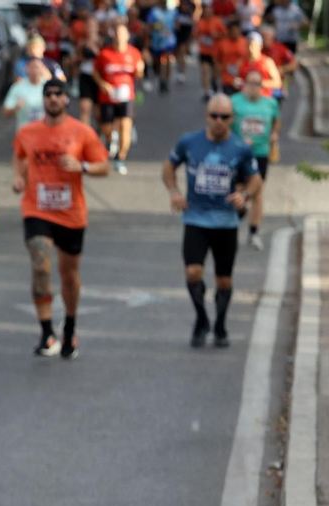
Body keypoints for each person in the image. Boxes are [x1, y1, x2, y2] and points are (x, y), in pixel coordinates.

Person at [12, 79, 110, 359]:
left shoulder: (82, 132)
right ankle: (46, 333)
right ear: (43, 100)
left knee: (69, 275)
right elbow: (19, 156)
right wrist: (19, 177)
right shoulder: (28, 132)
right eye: (48, 95)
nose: (53, 99)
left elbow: (104, 166)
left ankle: (70, 324)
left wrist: (83, 167)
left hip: (71, 213)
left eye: (58, 95)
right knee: (41, 265)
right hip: (37, 209)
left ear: (67, 99)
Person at [163, 93, 261, 347]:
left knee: (223, 280)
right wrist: (174, 192)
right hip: (196, 219)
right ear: (207, 116)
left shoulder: (240, 147)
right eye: (214, 116)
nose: (219, 121)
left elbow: (255, 178)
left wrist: (245, 194)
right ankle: (201, 319)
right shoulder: (189, 141)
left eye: (224, 117)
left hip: (226, 223)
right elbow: (168, 167)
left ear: (232, 118)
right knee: (193, 272)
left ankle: (220, 325)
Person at [229, 71, 280, 249]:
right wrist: (237, 142)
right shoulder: (234, 102)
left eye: (257, 84)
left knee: (257, 192)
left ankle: (253, 232)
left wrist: (274, 134)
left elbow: (276, 121)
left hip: (260, 153)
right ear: (244, 84)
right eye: (250, 83)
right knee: (238, 190)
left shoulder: (270, 103)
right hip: (238, 154)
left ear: (261, 86)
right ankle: (234, 222)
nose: (253, 87)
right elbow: (225, 126)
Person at [95, 23, 145, 175]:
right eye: (117, 34)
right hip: (108, 98)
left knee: (125, 128)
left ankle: (120, 158)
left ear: (127, 36)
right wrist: (103, 84)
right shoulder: (104, 54)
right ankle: (111, 140)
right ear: (113, 36)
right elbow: (95, 72)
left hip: (126, 97)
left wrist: (140, 71)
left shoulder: (134, 53)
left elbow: (139, 75)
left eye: (122, 34)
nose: (119, 37)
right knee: (107, 129)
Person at [6, 58, 55, 127]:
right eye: (32, 67)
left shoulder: (50, 87)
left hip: (45, 133)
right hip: (25, 133)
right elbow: (6, 112)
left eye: (37, 67)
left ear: (43, 69)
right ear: (26, 68)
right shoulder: (17, 87)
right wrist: (16, 107)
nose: (35, 70)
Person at [146, 1, 180, 91]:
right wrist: (157, 26)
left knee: (168, 59)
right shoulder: (154, 12)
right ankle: (160, 77)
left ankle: (166, 81)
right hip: (157, 40)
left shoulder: (173, 12)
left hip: (169, 40)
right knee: (157, 61)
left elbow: (177, 26)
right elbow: (150, 26)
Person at [239, 30, 285, 96]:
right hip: (245, 97)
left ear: (260, 46)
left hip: (263, 97)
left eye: (253, 45)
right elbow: (237, 79)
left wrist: (259, 84)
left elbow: (277, 82)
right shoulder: (241, 62)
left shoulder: (267, 62)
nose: (250, 49)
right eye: (248, 45)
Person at [214, 17, 251, 93]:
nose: (235, 33)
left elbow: (249, 57)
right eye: (233, 31)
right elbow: (216, 58)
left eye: (237, 30)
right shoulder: (222, 43)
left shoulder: (245, 42)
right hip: (227, 77)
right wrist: (218, 69)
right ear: (229, 31)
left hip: (242, 77)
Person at [197, 8, 229, 96]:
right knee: (204, 70)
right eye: (206, 13)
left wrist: (216, 35)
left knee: (215, 72)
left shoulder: (217, 21)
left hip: (215, 51)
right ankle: (206, 91)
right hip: (204, 51)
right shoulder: (200, 22)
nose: (208, 14)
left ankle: (214, 82)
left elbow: (225, 33)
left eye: (210, 13)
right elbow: (197, 34)